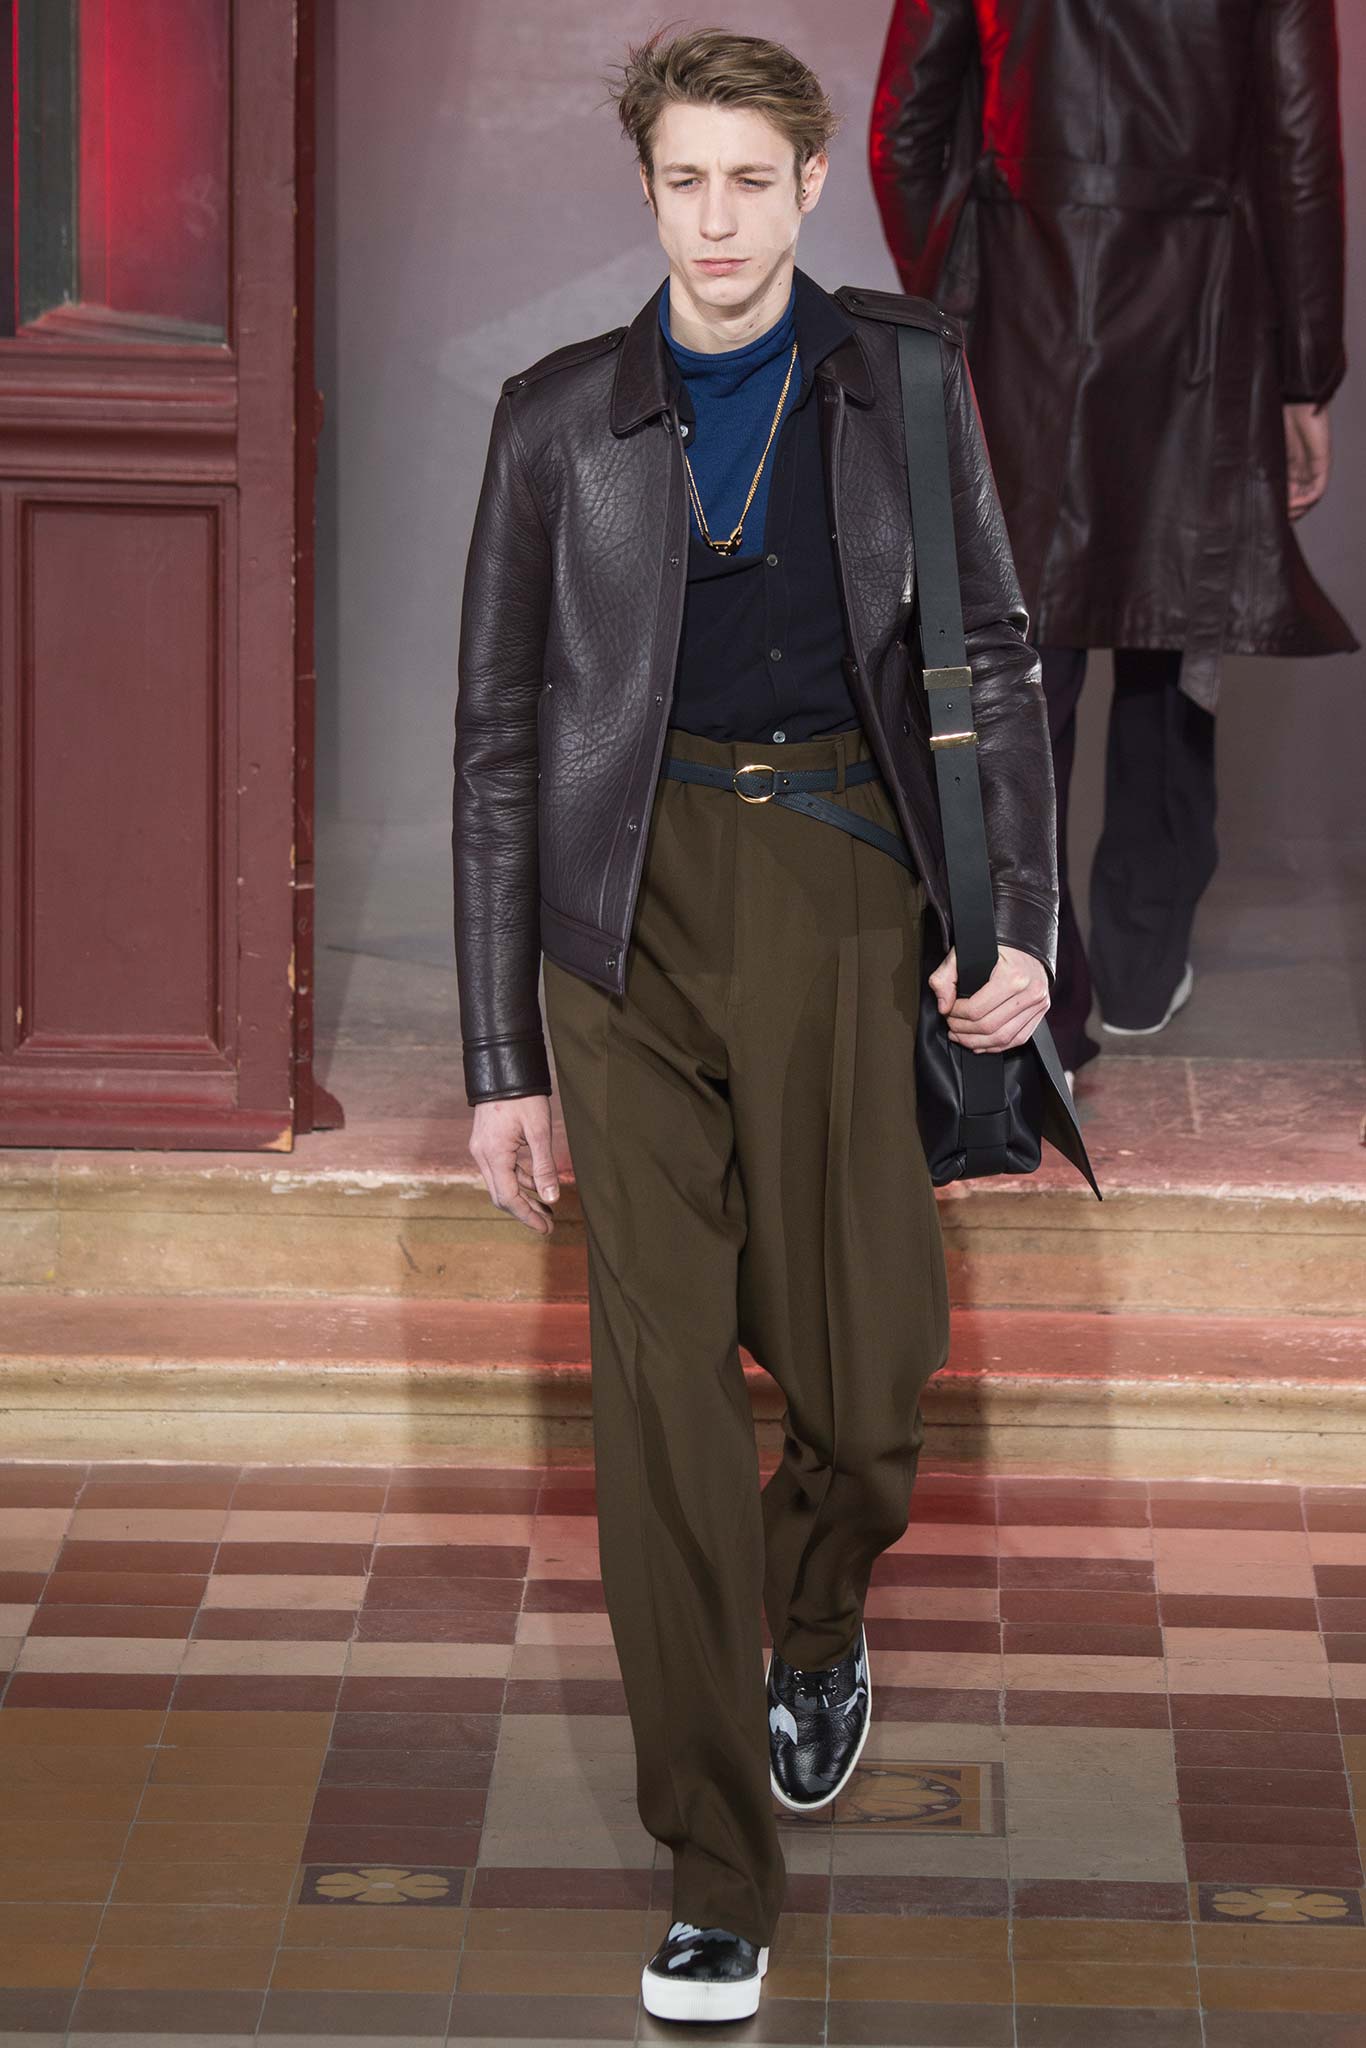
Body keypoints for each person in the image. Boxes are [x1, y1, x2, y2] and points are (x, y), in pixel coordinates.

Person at [452, 26, 1057, 2024]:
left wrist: (1019, 924)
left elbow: (991, 653)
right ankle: (715, 1868)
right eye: (681, 182)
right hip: (618, 928)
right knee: (660, 1410)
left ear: (807, 189)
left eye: (748, 181)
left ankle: (816, 1614)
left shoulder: (904, 380)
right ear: (646, 193)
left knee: (867, 1392)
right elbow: (497, 743)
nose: (714, 220)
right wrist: (500, 1062)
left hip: (841, 892)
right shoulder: (555, 423)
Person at [871, 0, 1357, 1078]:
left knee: (1018, 654)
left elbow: (903, 127)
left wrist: (952, 290)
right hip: (1203, 306)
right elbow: (1299, 149)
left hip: (1023, 297)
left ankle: (1038, 981)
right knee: (1172, 629)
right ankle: (1140, 962)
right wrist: (1304, 373)